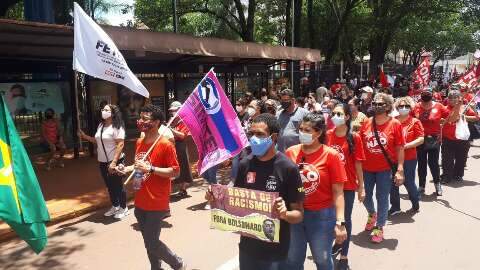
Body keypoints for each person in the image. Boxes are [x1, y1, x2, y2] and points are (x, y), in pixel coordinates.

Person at [207, 113, 304, 270]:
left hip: (275, 252)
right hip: (247, 248)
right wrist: (216, 199)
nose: (253, 138)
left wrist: (285, 214)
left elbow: (298, 215)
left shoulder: (288, 168)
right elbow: (236, 203)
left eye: (260, 134)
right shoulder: (245, 164)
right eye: (251, 133)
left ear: (273, 138)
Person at [115, 104, 186, 270]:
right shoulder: (140, 141)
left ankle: (177, 262)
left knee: (152, 242)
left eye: (145, 119)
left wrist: (152, 169)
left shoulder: (165, 144)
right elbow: (140, 165)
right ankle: (156, 267)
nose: (141, 122)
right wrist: (125, 169)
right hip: (140, 201)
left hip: (157, 201)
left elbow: (175, 171)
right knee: (148, 241)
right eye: (140, 118)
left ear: (156, 122)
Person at [281, 112, 347, 270]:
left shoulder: (331, 155)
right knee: (293, 260)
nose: (302, 133)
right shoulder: (291, 152)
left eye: (307, 130)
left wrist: (340, 222)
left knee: (322, 260)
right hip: (294, 214)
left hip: (321, 217)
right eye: (301, 129)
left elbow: (338, 192)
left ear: (318, 133)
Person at [359, 93, 405, 243]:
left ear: (388, 107)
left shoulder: (395, 124)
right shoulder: (367, 122)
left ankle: (379, 226)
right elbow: (359, 145)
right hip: (366, 168)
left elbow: (400, 148)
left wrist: (399, 169)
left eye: (381, 104)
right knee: (364, 196)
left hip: (385, 169)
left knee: (382, 197)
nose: (377, 106)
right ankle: (372, 214)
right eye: (375, 103)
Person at [326, 104, 365, 270]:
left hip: (347, 186)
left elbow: (358, 164)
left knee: (344, 220)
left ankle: (344, 256)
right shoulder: (327, 135)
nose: (335, 116)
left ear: (348, 117)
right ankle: (335, 243)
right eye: (333, 113)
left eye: (339, 113)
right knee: (329, 219)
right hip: (329, 185)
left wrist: (361, 187)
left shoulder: (354, 137)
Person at [78, 104, 128, 219]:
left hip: (114, 160)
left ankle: (124, 208)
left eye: (106, 110)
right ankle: (115, 206)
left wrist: (114, 162)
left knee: (117, 185)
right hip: (103, 161)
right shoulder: (101, 125)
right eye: (103, 109)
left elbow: (120, 144)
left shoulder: (117, 126)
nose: (103, 111)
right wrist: (84, 136)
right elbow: (97, 141)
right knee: (109, 185)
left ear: (113, 113)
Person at [390, 97, 424, 215]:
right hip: (393, 158)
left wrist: (407, 145)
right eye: (401, 106)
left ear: (410, 108)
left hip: (409, 158)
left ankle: (415, 202)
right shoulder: (392, 121)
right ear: (397, 107)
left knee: (408, 182)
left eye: (406, 106)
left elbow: (421, 139)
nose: (404, 108)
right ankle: (395, 207)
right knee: (392, 182)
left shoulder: (415, 121)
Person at [413, 88, 449, 196]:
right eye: (424, 93)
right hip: (420, 139)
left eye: (428, 93)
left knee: (433, 164)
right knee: (421, 164)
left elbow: (449, 116)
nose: (426, 95)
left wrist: (442, 123)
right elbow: (409, 119)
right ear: (421, 95)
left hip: (434, 140)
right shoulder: (416, 107)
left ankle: (437, 185)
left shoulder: (439, 106)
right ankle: (421, 186)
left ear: (432, 94)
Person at [441, 90, 479, 183]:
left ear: (459, 98)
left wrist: (468, 114)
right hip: (447, 138)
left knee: (461, 159)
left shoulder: (465, 108)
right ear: (448, 99)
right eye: (451, 98)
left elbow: (476, 118)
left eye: (455, 98)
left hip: (462, 139)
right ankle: (446, 176)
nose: (453, 100)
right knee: (446, 160)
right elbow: (441, 119)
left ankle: (458, 175)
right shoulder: (444, 108)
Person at [168, 101, 193, 197]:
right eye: (171, 111)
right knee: (173, 166)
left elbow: (183, 135)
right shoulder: (171, 120)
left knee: (183, 166)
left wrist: (172, 130)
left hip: (180, 145)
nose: (172, 112)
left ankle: (183, 189)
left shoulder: (184, 121)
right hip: (171, 145)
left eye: (174, 110)